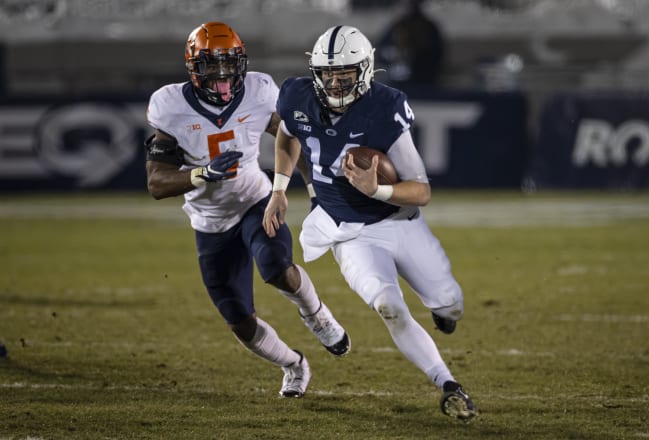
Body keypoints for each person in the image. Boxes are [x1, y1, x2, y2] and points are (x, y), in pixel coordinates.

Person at [262, 25, 477, 420]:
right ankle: (448, 384)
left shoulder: (385, 106)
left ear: (365, 70)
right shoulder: (295, 95)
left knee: (451, 304)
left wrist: (375, 189)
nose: (335, 80)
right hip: (348, 232)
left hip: (398, 220)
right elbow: (287, 137)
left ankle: (442, 311)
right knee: (389, 307)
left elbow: (421, 191)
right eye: (328, 72)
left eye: (344, 71)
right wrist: (279, 189)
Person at [144, 22, 350, 398]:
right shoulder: (170, 106)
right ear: (193, 68)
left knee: (275, 266)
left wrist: (311, 189)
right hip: (210, 222)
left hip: (255, 199)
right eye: (211, 67)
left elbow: (289, 136)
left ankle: (318, 315)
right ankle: (294, 364)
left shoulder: (259, 90)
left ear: (242, 64)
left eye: (228, 66)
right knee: (238, 318)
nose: (222, 77)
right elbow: (157, 183)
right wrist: (201, 174)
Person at [376, 0, 445, 89]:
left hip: (424, 83)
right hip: (397, 83)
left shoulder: (429, 28)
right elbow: (382, 53)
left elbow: (436, 56)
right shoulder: (396, 27)